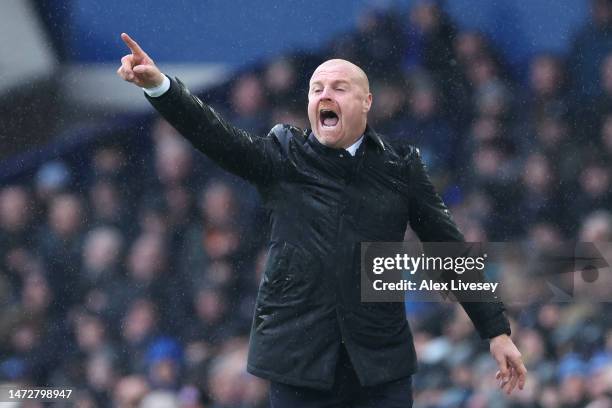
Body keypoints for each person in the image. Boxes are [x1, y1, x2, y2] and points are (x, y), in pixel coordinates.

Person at [117, 32, 527, 407]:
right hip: (300, 364)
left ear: (366, 102)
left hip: (379, 364)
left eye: (338, 87)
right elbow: (214, 133)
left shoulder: (401, 166)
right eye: (316, 89)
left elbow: (448, 249)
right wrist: (160, 86)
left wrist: (496, 330)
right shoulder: (283, 155)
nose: (324, 94)